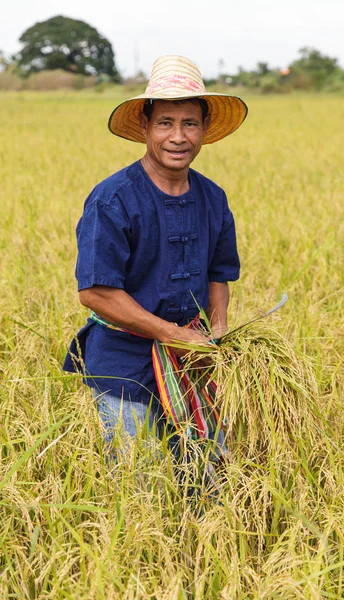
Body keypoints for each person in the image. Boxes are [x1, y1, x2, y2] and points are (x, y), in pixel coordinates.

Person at [63, 55, 248, 451]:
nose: (178, 136)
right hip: (124, 364)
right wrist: (174, 335)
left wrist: (215, 338)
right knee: (139, 487)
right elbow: (94, 293)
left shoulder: (213, 198)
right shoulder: (113, 199)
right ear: (146, 126)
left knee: (208, 473)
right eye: (165, 122)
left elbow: (219, 275)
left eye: (189, 123)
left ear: (204, 129)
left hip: (192, 362)